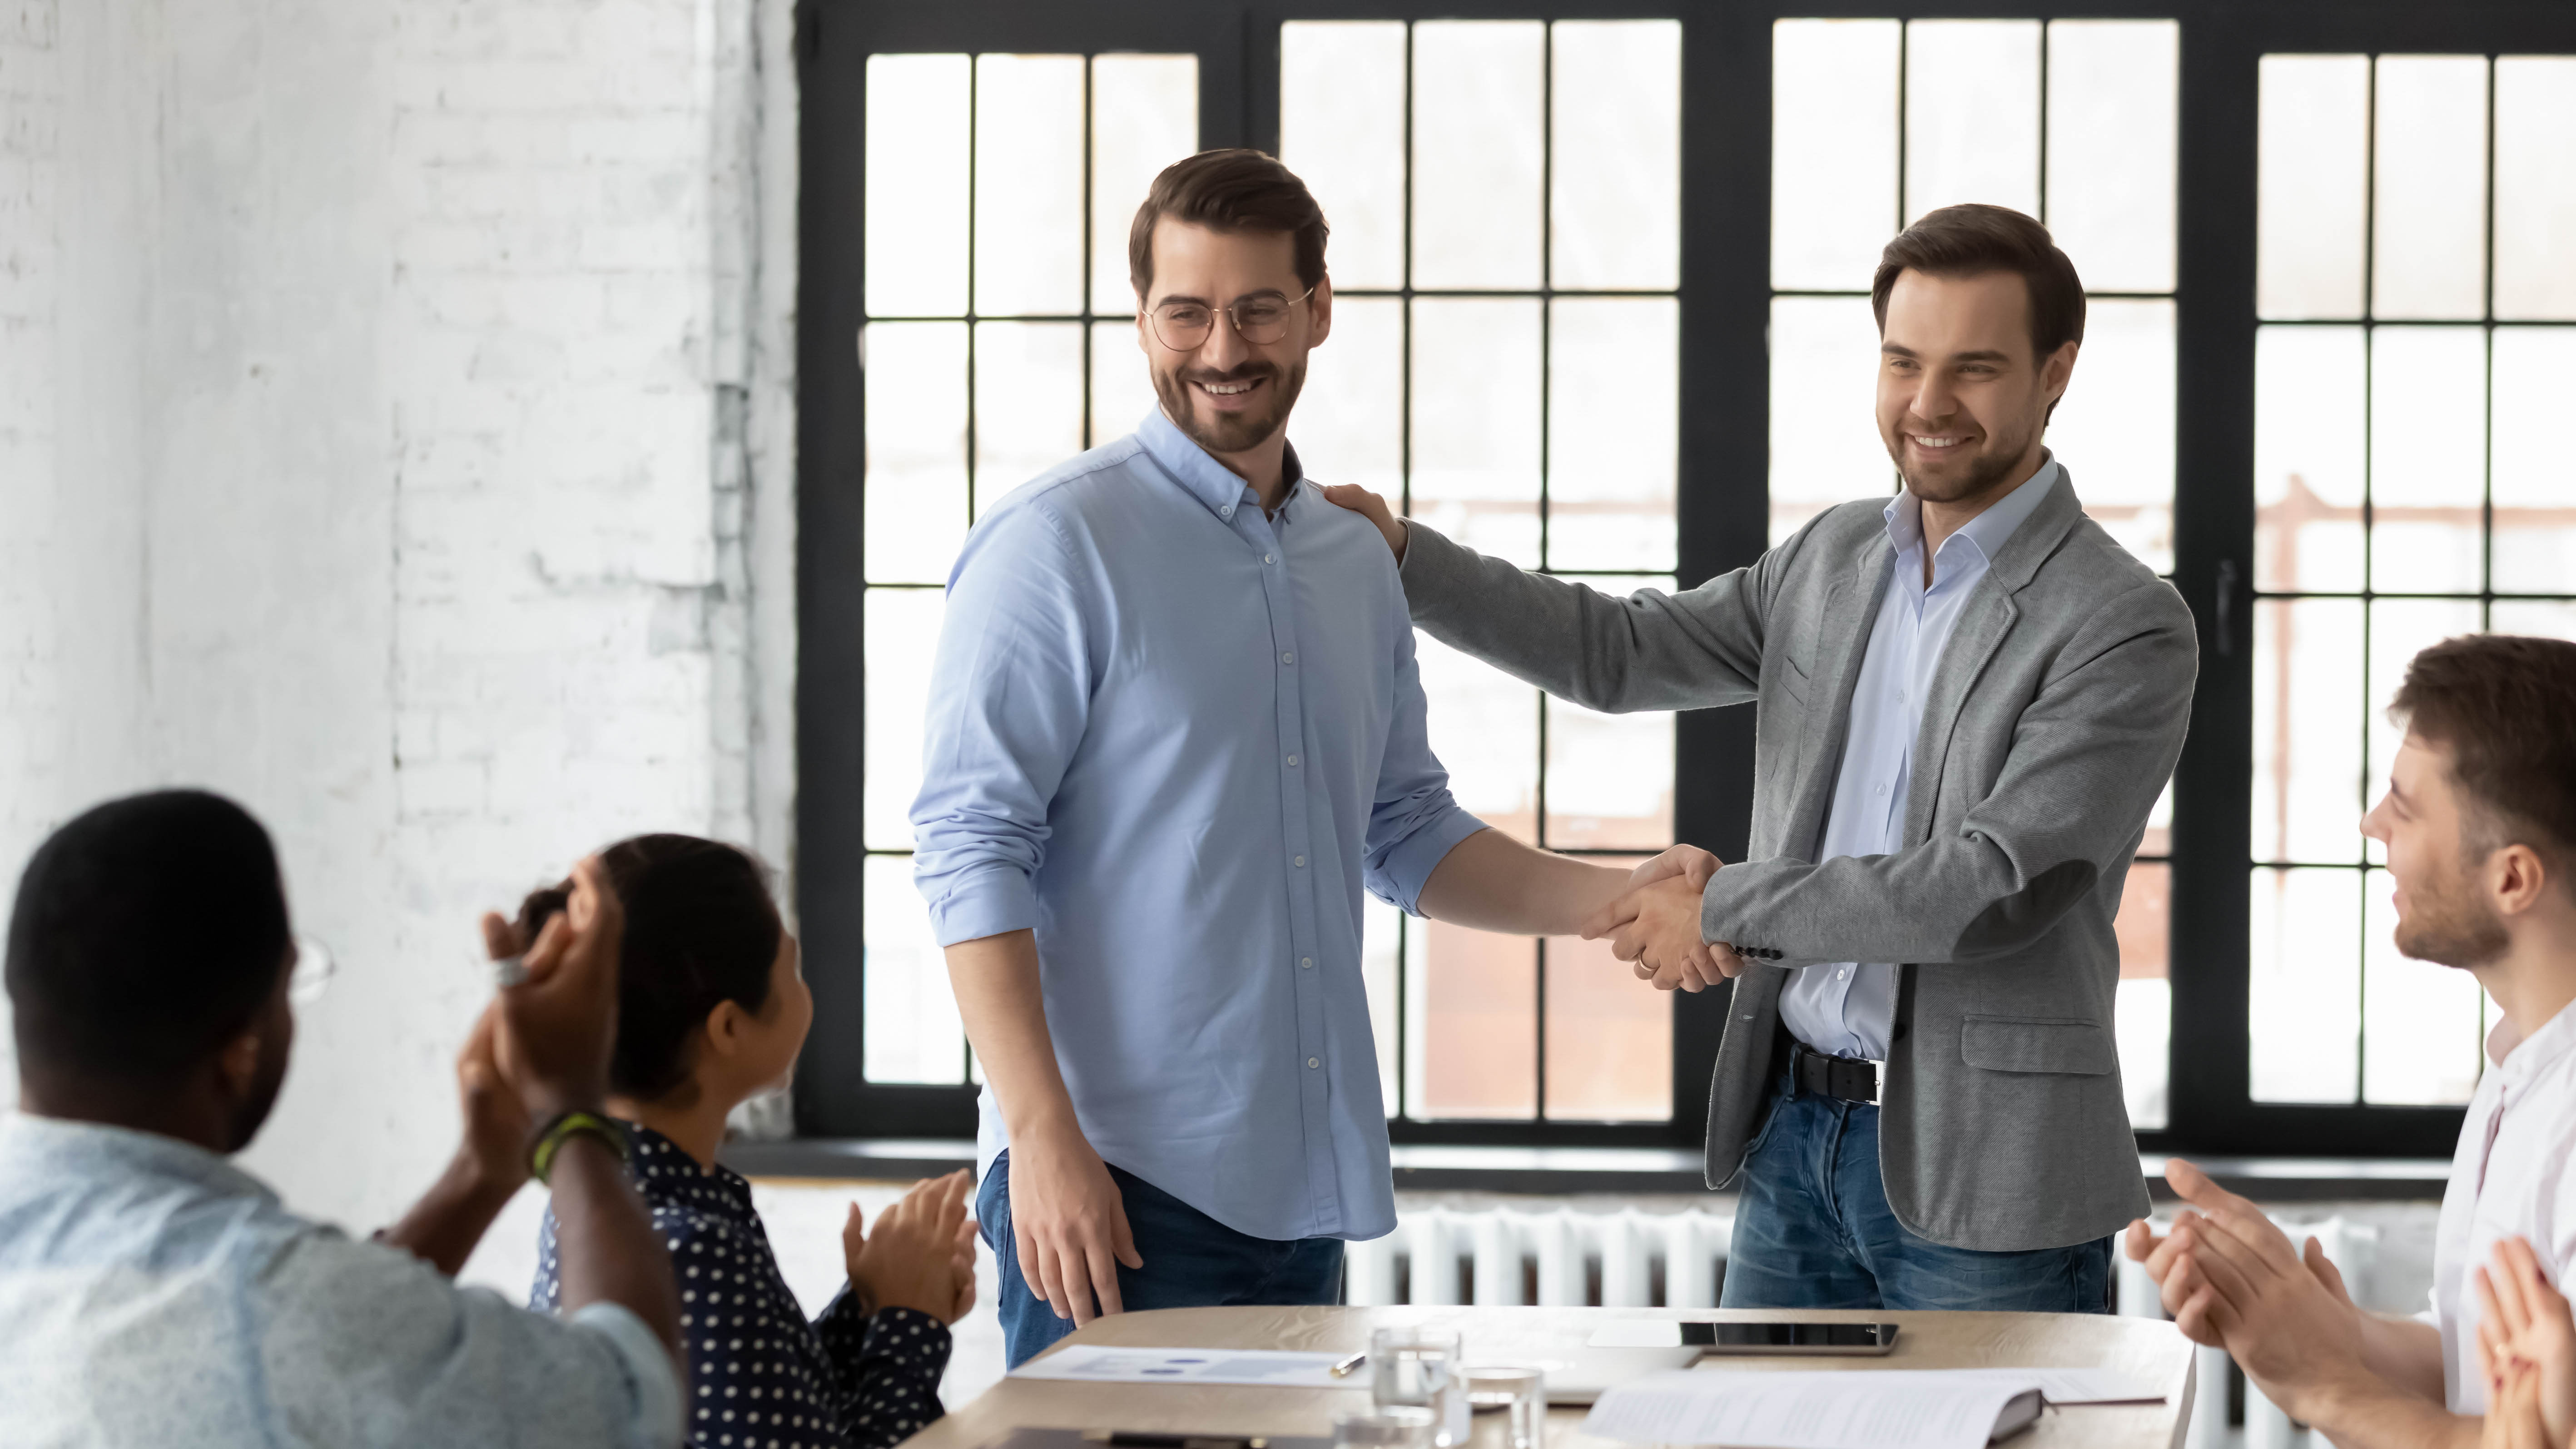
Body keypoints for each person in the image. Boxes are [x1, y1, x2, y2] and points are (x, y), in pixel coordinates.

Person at [1325, 202, 2197, 1311]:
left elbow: (1987, 887)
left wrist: (1725, 906)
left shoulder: (2122, 620)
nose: (1927, 404)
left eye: (1973, 369)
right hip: (1794, 1140)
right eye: (1901, 362)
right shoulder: (1833, 559)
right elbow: (1622, 653)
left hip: (1994, 1178)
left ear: (2055, 371)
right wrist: (1408, 558)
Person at [911, 148, 1685, 1367]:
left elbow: (1406, 829)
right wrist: (1038, 1133)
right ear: (1142, 318)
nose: (1223, 347)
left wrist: (1621, 894)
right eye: (1187, 312)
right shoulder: (1055, 546)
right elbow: (970, 848)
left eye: (1259, 307)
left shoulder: (1353, 559)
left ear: (1318, 309)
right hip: (1111, 1186)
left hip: (1302, 1187)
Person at [0, 788, 686, 1447]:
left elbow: (325, 1356)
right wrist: (569, 1113)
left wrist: (478, 1175)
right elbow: (629, 1401)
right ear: (240, 1049)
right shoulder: (266, 1299)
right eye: (288, 985)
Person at [2129, 634, 2576, 1448]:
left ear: (2512, 877)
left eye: (2404, 807)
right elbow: (2477, 1368)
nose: (2373, 824)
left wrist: (2324, 1386)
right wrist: (2315, 1328)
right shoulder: (2524, 1063)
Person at [519, 834, 977, 1449]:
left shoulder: (612, 1202)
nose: (805, 985)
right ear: (729, 1026)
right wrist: (910, 1324)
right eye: (790, 967)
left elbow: (760, 1413)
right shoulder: (692, 1248)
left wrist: (869, 1307)